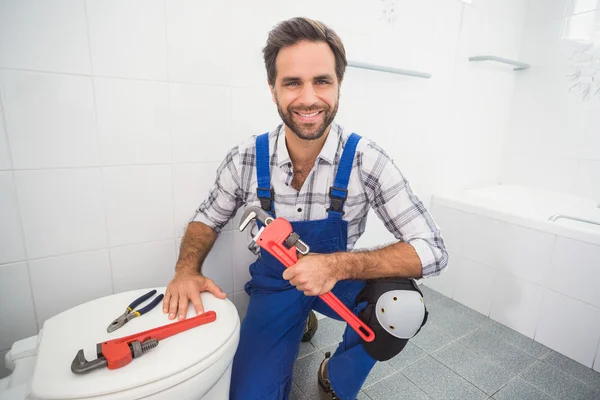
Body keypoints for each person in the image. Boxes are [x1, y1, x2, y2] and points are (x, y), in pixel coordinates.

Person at [163, 17, 448, 400]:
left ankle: (335, 374)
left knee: (401, 308)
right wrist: (186, 270)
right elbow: (207, 218)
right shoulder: (247, 158)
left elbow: (432, 248)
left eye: (322, 81)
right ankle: (301, 319)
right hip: (276, 287)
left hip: (339, 282)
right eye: (293, 82)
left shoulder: (367, 160)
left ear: (338, 85)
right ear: (273, 89)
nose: (309, 98)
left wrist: (335, 265)